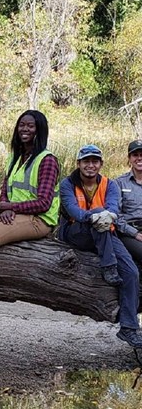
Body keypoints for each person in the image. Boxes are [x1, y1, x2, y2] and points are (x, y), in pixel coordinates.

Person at [0, 110, 60, 344]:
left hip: (39, 221)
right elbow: (5, 191)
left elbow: (44, 202)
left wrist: (11, 206)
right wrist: (6, 207)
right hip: (16, 215)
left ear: (39, 129)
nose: (24, 129)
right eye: (21, 125)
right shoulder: (14, 157)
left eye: (30, 126)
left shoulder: (47, 160)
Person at [59, 144, 142, 349]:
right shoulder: (67, 184)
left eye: (94, 161)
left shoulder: (109, 184)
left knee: (131, 272)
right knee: (98, 216)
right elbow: (73, 211)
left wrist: (106, 215)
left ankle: (129, 328)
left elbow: (113, 208)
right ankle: (108, 266)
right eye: (86, 161)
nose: (90, 165)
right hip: (76, 232)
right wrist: (96, 215)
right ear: (78, 163)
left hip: (105, 231)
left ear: (101, 164)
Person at [115, 140, 142, 267]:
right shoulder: (119, 183)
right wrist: (135, 234)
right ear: (129, 158)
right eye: (135, 155)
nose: (139, 158)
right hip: (129, 233)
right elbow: (115, 215)